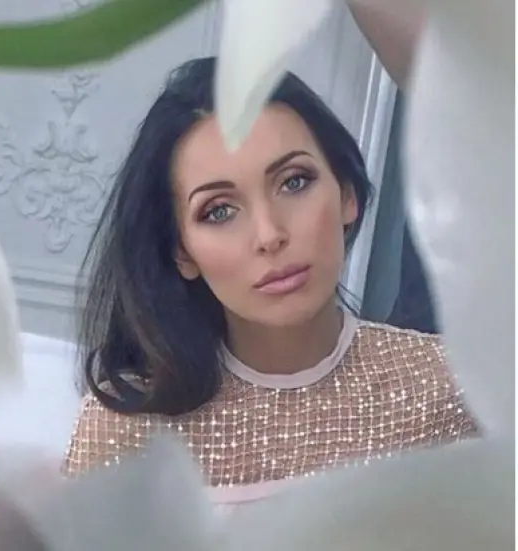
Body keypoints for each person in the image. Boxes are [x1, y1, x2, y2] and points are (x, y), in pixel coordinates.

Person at [63, 3, 477, 505]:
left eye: (294, 182)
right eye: (218, 211)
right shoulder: (124, 427)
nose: (269, 234)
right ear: (181, 252)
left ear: (346, 194)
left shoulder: (445, 392)